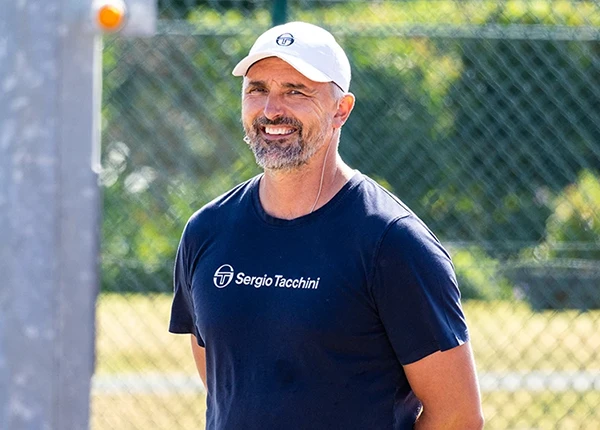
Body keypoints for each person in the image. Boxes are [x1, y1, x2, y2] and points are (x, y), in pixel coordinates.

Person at [169, 21, 484, 430]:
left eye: (295, 91)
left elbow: (458, 416)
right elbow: (225, 384)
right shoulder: (207, 230)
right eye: (257, 89)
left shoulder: (392, 243)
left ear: (341, 109)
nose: (271, 110)